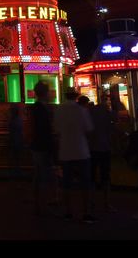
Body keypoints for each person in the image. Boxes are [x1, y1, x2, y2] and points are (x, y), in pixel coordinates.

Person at [53, 88, 95, 223]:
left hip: (65, 151)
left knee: (66, 184)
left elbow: (56, 129)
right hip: (81, 151)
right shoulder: (81, 110)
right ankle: (86, 213)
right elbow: (89, 129)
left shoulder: (59, 110)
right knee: (85, 184)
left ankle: (68, 212)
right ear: (76, 97)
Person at [87, 100, 117, 214]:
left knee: (92, 177)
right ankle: (106, 203)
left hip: (93, 149)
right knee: (105, 177)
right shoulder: (107, 117)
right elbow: (113, 130)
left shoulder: (90, 115)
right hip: (105, 149)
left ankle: (92, 201)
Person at [29, 81, 55, 216]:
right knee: (42, 174)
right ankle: (42, 203)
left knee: (39, 174)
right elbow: (42, 128)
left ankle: (38, 202)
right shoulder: (41, 108)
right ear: (45, 93)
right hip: (42, 145)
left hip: (38, 145)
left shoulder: (36, 108)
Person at [7, 104, 25, 180]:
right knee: (17, 156)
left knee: (14, 156)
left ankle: (14, 169)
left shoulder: (12, 120)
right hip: (18, 139)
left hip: (14, 139)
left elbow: (11, 129)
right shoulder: (19, 120)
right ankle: (17, 169)